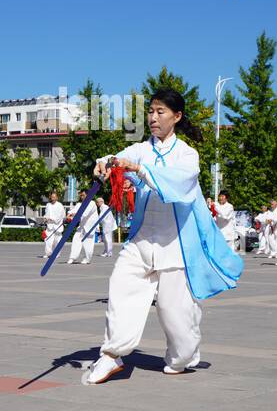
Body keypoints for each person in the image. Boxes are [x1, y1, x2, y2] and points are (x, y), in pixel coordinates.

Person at [81, 89, 242, 385]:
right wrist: (106, 163)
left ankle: (183, 356)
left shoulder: (187, 155)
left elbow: (179, 183)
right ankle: (111, 355)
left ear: (177, 117)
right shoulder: (141, 148)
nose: (153, 118)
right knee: (120, 289)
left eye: (160, 112)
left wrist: (140, 170)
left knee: (174, 312)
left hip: (175, 244)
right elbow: (120, 158)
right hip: (141, 239)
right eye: (151, 111)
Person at [42, 191, 66, 260]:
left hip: (57, 226)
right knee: (48, 240)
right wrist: (45, 218)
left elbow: (60, 216)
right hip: (49, 226)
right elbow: (46, 214)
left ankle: (56, 254)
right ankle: (48, 253)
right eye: (52, 197)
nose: (53, 198)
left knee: (57, 241)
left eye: (54, 197)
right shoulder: (48, 205)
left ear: (57, 198)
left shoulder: (60, 205)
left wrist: (51, 219)